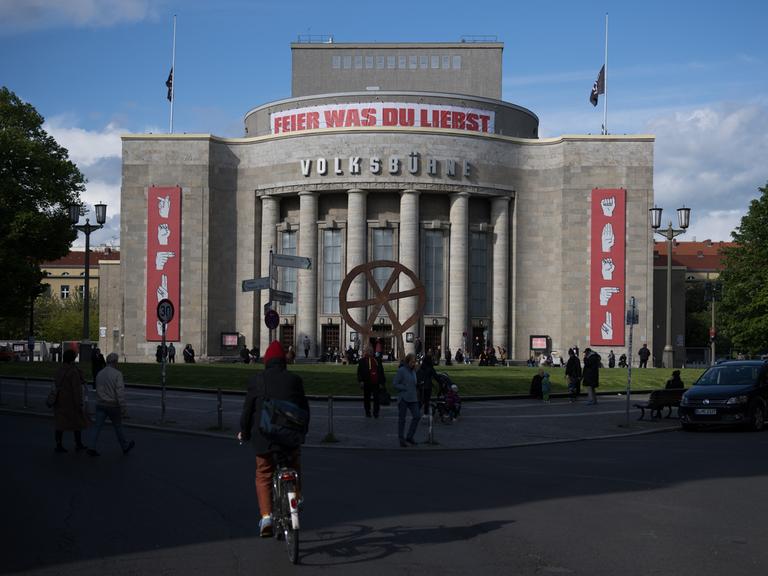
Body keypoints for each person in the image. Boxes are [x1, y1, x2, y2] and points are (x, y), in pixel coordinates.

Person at [238, 340, 310, 538]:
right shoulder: (295, 380)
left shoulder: (257, 380)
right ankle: (297, 496)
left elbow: (247, 412)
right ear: (284, 361)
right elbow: (305, 409)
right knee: (294, 465)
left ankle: (267, 517)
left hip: (264, 436)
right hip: (289, 436)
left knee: (264, 474)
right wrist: (303, 432)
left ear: (266, 361)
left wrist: (244, 432)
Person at [87, 353, 135, 457]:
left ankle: (91, 447)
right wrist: (123, 409)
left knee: (97, 427)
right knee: (118, 427)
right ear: (115, 362)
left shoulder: (100, 373)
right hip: (113, 405)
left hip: (100, 403)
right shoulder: (117, 374)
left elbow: (97, 388)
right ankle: (125, 446)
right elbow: (120, 393)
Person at [52, 349, 89, 453]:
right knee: (77, 422)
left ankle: (58, 444)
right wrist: (79, 403)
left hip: (59, 400)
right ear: (73, 358)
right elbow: (76, 389)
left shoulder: (60, 369)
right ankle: (78, 443)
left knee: (60, 424)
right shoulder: (73, 371)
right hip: (71, 401)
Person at [393, 353, 420, 447]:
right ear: (408, 361)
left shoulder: (414, 371)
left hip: (413, 398)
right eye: (412, 362)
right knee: (402, 420)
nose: (414, 364)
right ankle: (401, 439)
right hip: (403, 398)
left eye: (415, 362)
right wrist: (404, 387)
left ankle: (409, 436)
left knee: (417, 416)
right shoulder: (401, 371)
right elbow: (395, 383)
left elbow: (414, 383)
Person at [357, 346, 385, 418]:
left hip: (376, 382)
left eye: (371, 351)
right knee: (367, 398)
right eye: (368, 351)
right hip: (367, 382)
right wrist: (361, 381)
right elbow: (359, 372)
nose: (370, 352)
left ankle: (376, 412)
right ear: (365, 352)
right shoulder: (362, 361)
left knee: (376, 398)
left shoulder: (377, 360)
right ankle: (367, 411)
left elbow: (381, 372)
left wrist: (382, 382)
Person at [417, 353, 439, 418]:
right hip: (427, 386)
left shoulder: (421, 367)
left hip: (421, 385)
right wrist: (440, 381)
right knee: (426, 400)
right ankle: (425, 413)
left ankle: (417, 411)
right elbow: (436, 376)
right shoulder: (430, 368)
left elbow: (417, 375)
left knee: (421, 400)